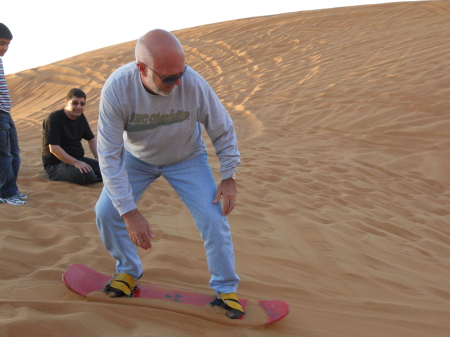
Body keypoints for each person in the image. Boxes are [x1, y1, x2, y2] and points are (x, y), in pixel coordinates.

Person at [95, 29, 244, 318]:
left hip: (186, 158)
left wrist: (229, 176)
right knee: (105, 212)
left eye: (181, 72)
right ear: (141, 68)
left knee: (214, 220)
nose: (178, 82)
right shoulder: (118, 89)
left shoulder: (192, 83)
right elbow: (109, 156)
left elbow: (222, 128)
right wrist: (129, 213)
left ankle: (226, 289)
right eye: (168, 77)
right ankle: (127, 270)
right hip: (136, 159)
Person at [41, 88, 102, 185]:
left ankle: (98, 175)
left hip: (78, 160)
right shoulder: (53, 119)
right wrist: (76, 163)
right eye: (74, 103)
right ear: (66, 102)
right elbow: (54, 148)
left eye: (82, 104)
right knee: (87, 175)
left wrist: (98, 157)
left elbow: (91, 139)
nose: (78, 106)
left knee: (107, 169)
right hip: (56, 165)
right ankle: (95, 176)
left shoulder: (80, 117)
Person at [0, 23, 27, 206]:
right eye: (2, 43)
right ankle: (5, 193)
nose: (5, 48)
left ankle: (12, 189)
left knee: (14, 153)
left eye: (8, 44)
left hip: (5, 112)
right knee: (5, 155)